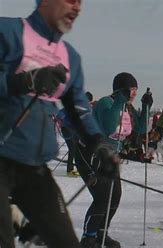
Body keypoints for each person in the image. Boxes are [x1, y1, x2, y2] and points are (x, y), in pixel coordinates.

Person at [0, 1, 120, 247]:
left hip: (33, 168)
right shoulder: (8, 32)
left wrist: (100, 144)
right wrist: (22, 82)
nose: (77, 8)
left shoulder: (69, 57)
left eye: (79, 2)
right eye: (70, 0)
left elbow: (79, 109)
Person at [75, 72, 152, 248]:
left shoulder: (128, 107)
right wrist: (119, 101)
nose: (134, 94)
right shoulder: (105, 103)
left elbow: (140, 128)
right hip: (89, 152)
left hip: (110, 156)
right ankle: (88, 238)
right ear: (121, 90)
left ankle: (102, 233)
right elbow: (109, 125)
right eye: (131, 90)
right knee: (102, 196)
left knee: (114, 196)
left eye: (135, 90)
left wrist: (146, 107)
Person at [56, 108, 80, 177]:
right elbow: (59, 114)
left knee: (77, 149)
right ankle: (70, 170)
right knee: (72, 149)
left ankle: (77, 168)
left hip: (75, 129)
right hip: (67, 129)